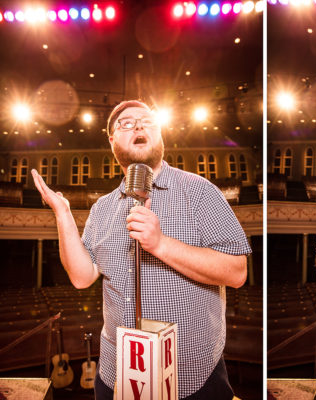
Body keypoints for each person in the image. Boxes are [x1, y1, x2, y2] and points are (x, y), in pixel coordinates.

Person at [31, 100, 251, 399]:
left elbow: (236, 272)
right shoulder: (102, 208)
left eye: (147, 120)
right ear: (112, 141)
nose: (137, 125)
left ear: (160, 134)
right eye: (125, 123)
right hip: (116, 372)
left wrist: (160, 244)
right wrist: (63, 214)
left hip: (192, 374)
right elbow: (82, 277)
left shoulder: (200, 191)